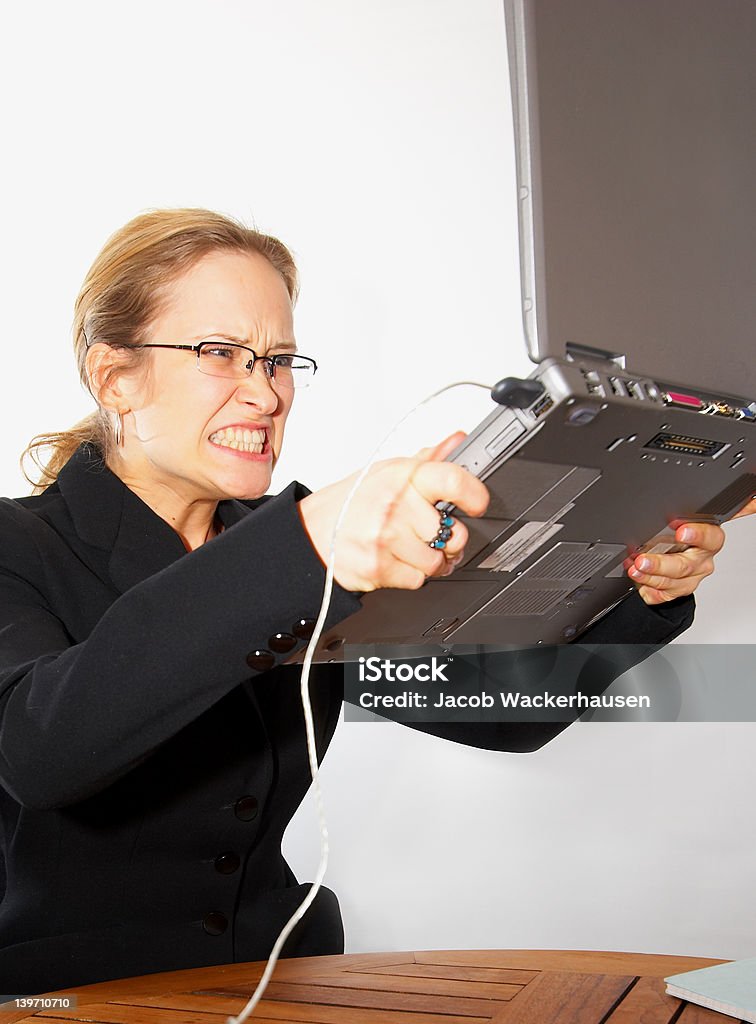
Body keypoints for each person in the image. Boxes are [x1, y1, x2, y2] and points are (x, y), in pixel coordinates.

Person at [0, 209, 746, 995]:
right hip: (66, 995)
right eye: (222, 354)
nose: (265, 393)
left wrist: (636, 596)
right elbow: (39, 750)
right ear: (114, 375)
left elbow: (500, 711)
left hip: (276, 979)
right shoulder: (23, 544)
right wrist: (303, 543)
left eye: (280, 359)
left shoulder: (292, 542)